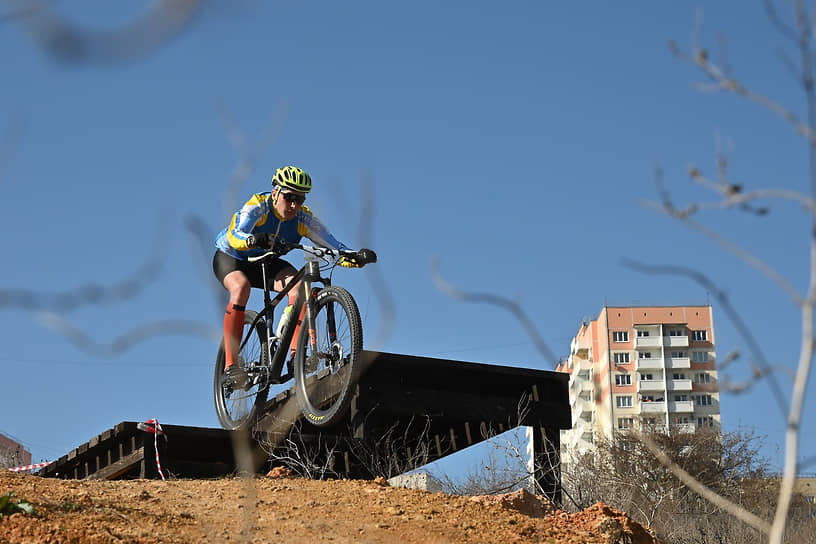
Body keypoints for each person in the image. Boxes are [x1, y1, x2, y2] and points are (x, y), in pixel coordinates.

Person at [213, 165, 370, 388]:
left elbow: (333, 245)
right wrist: (252, 240)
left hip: (266, 260)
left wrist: (354, 257)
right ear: (276, 193)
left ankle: (297, 355)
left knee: (300, 288)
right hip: (233, 257)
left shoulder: (303, 220)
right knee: (241, 288)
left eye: (300, 200)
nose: (295, 205)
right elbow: (235, 233)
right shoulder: (258, 206)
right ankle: (230, 366)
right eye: (289, 198)